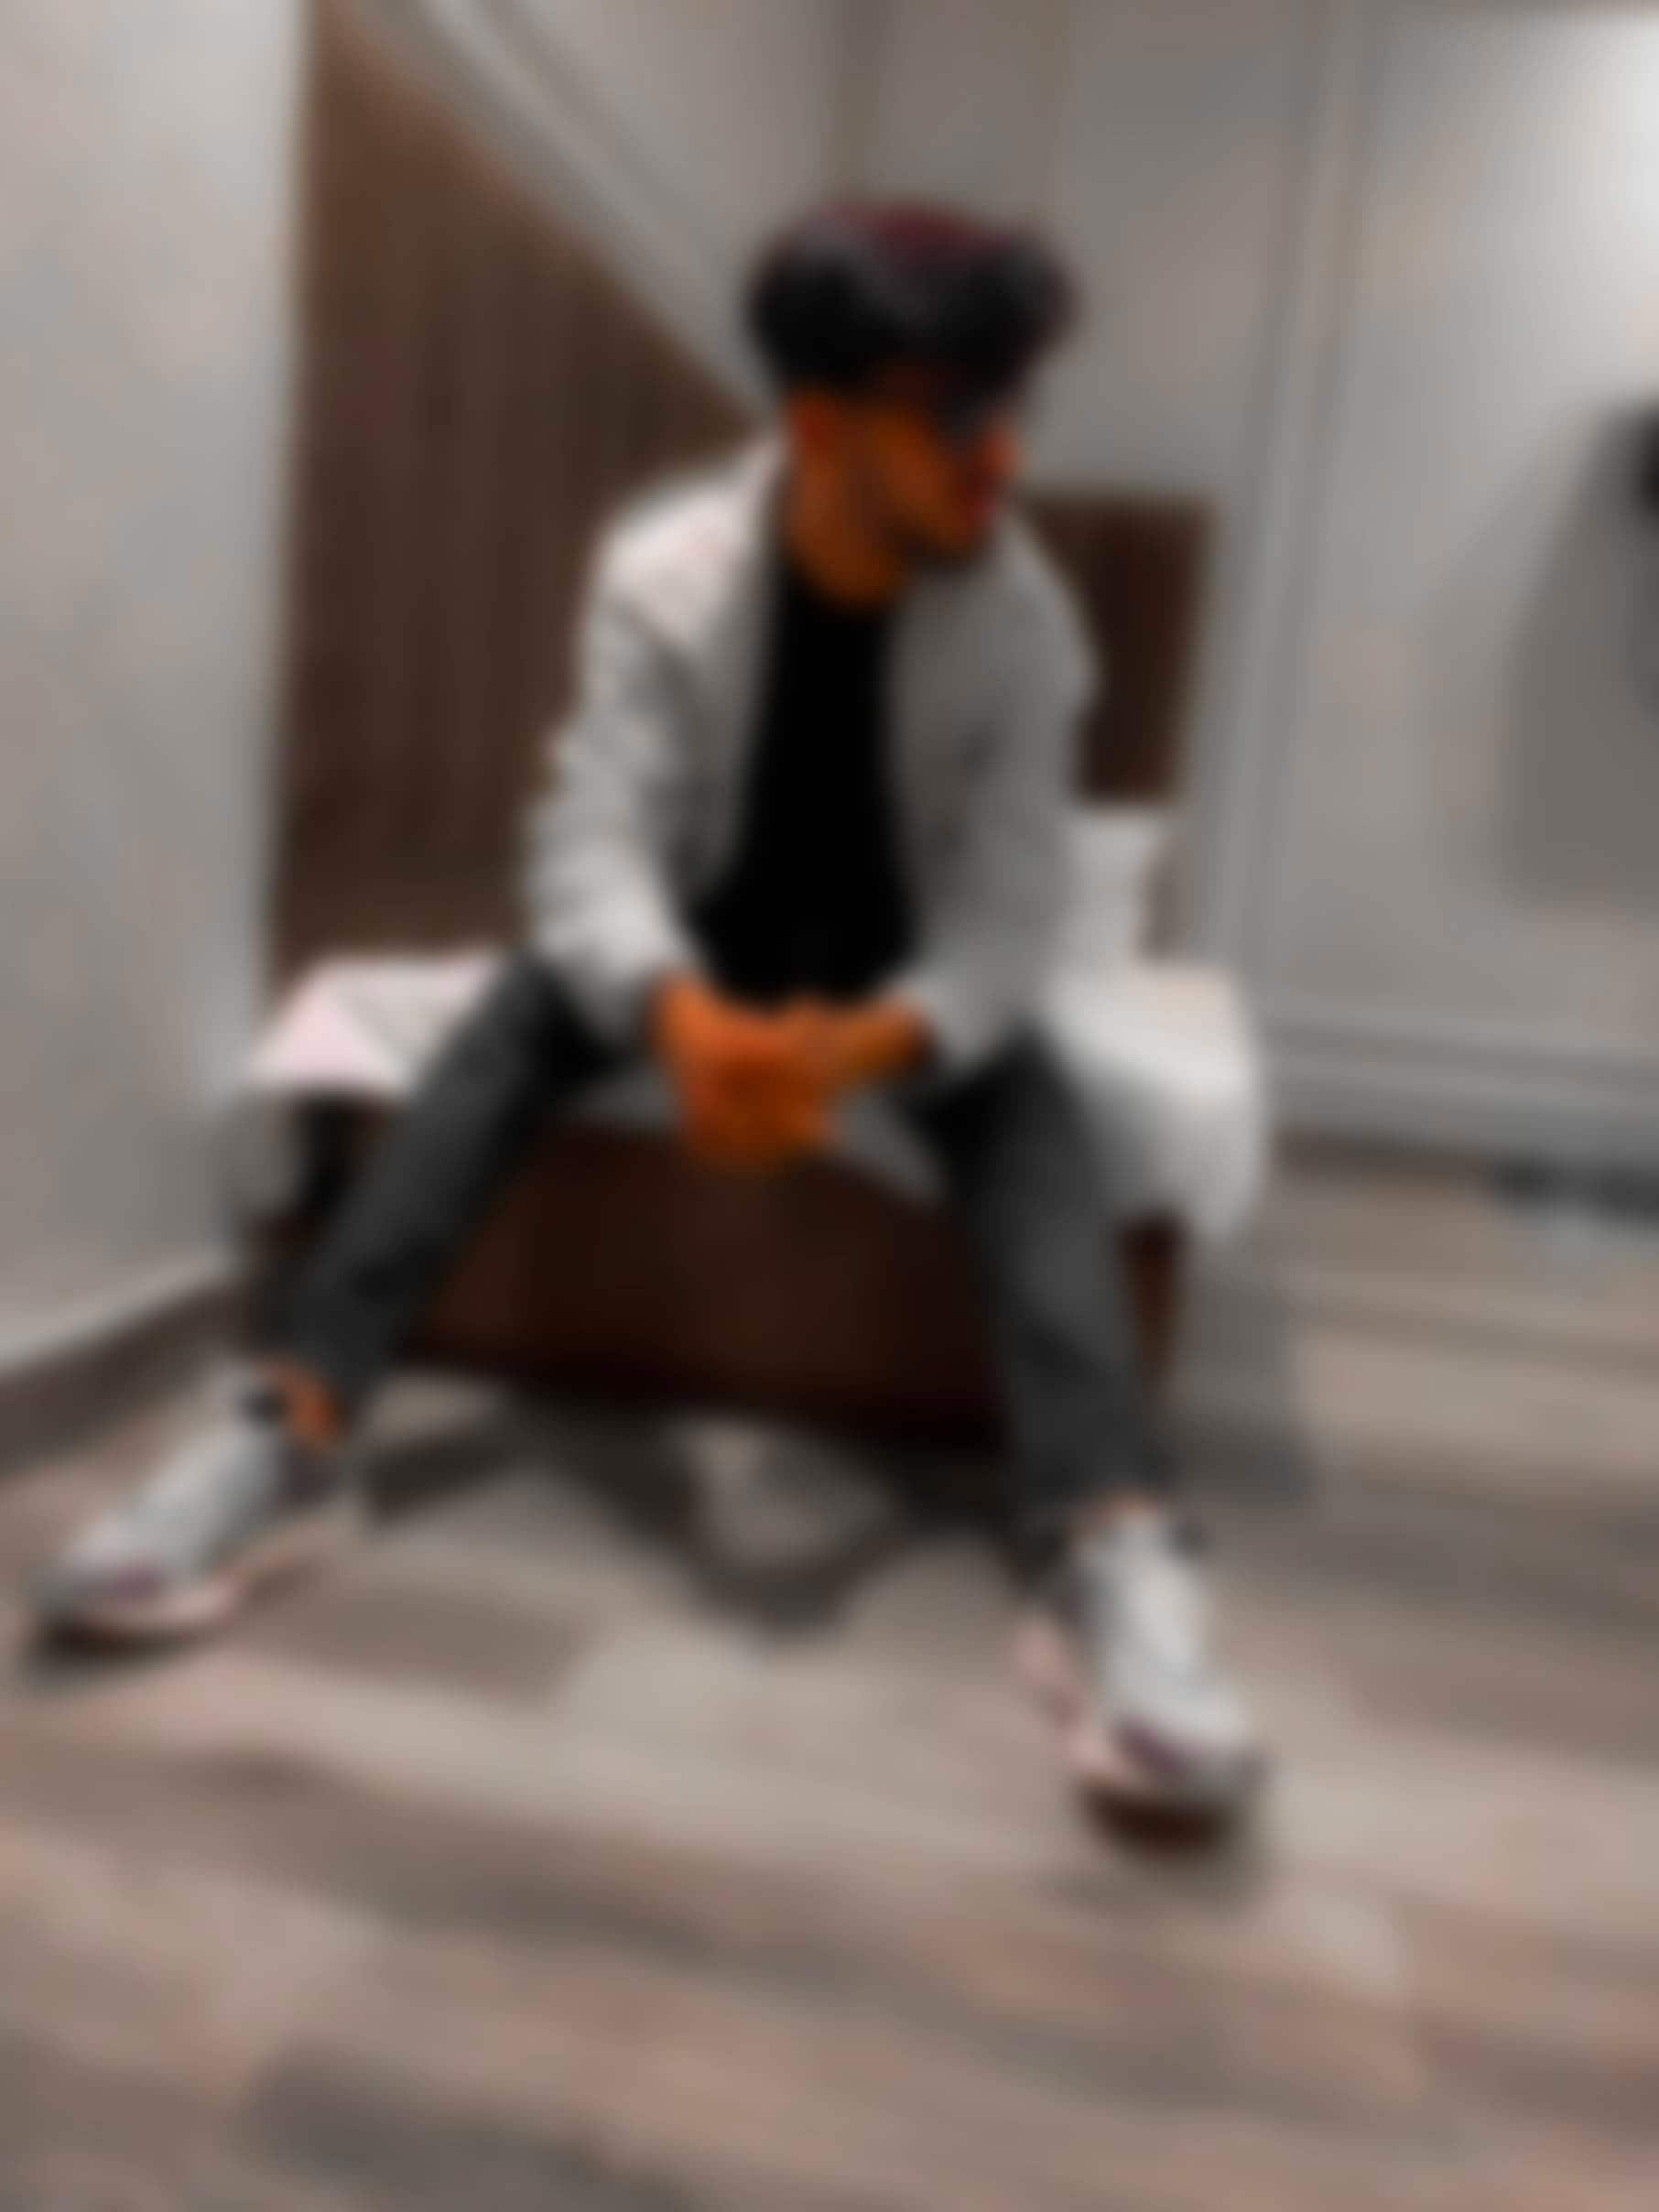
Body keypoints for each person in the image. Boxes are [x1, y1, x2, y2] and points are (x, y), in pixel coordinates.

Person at [33, 201, 1263, 1814]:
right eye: (960, 413)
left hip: (897, 966)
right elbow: (593, 849)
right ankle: (289, 1428)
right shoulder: (667, 574)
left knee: (1029, 1101)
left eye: (1017, 404)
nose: (1006, 458)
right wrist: (684, 1022)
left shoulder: (1030, 625)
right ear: (818, 423)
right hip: (701, 935)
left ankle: (1108, 1539)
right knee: (515, 1020)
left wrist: (867, 1045)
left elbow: (1010, 918)